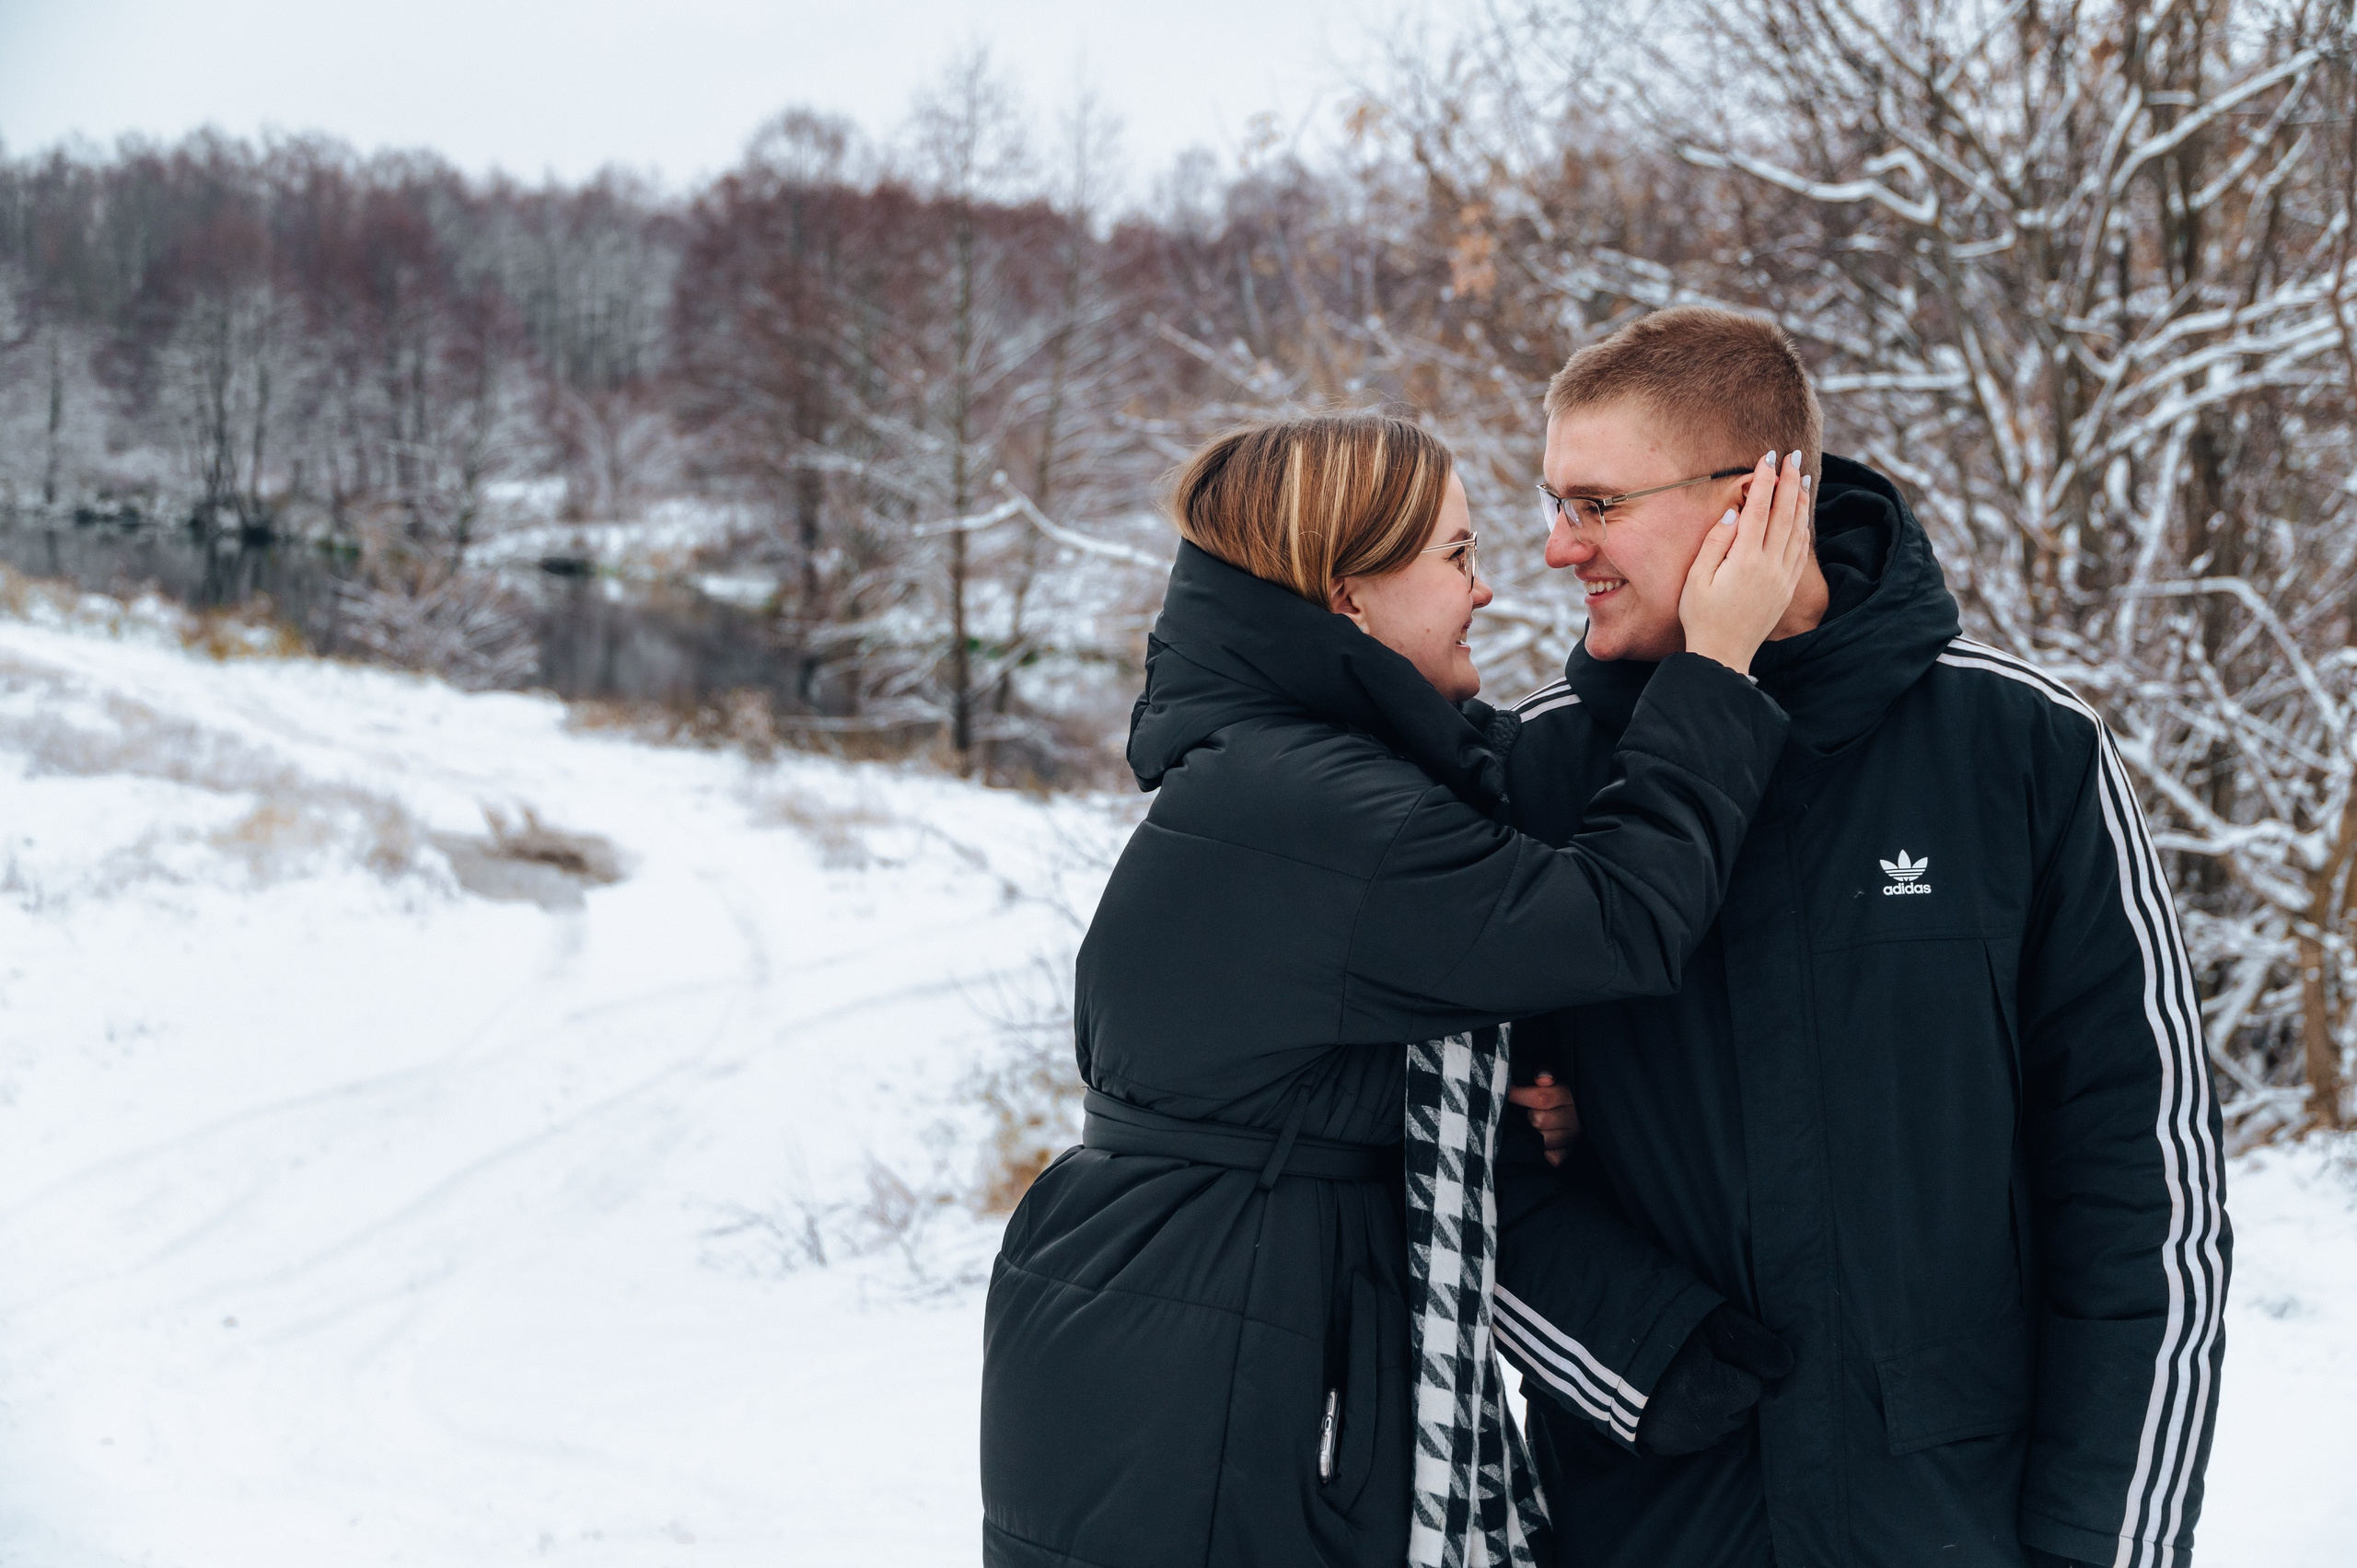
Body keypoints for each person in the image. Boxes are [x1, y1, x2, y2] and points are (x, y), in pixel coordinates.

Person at [981, 412, 1811, 1568]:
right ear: (1350, 597)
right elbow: (1621, 918)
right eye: (1458, 555)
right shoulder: (1313, 805)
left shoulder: (1287, 771)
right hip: (1222, 1375)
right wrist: (1714, 663)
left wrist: (1500, 1105)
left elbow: (1311, 1070)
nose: (1486, 588)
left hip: (1191, 1326)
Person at [1492, 308, 2231, 1568]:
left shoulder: (2023, 749)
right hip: (1654, 1522)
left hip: (1956, 1520)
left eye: (1598, 504)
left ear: (1758, 498)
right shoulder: (1534, 775)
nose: (1559, 546)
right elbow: (1452, 1165)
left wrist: (2109, 1539)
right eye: (1556, 503)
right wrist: (1644, 1359)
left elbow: (2144, 1186)